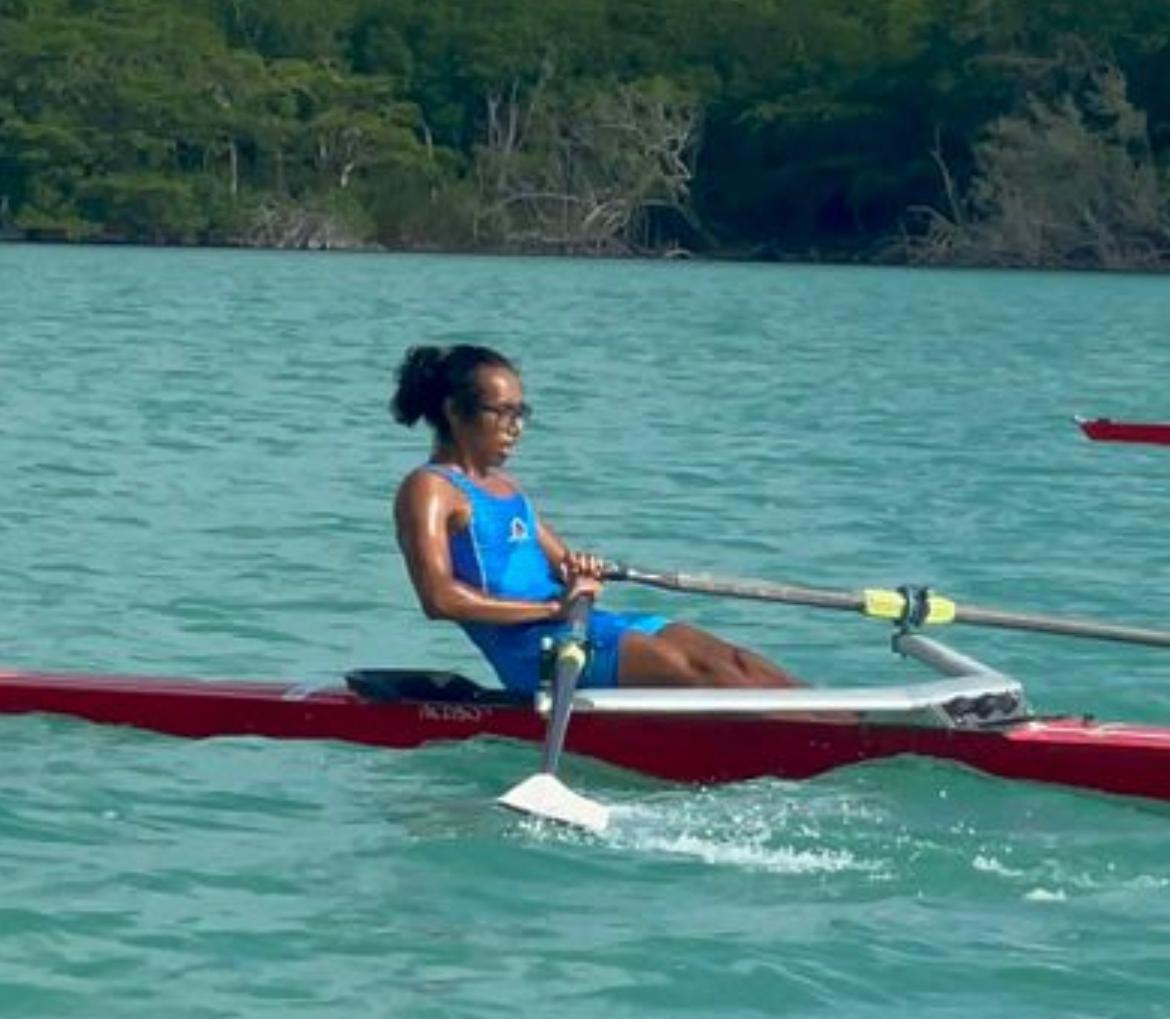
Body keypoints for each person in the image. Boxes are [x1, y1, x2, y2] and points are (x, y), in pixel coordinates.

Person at [391, 344, 802, 693]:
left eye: (521, 413)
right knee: (702, 673)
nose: (515, 428)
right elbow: (440, 599)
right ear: (455, 412)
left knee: (740, 663)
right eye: (502, 412)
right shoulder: (429, 489)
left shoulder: (507, 488)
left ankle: (850, 723)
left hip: (580, 624)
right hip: (539, 651)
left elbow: (566, 565)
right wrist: (552, 609)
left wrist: (582, 571)